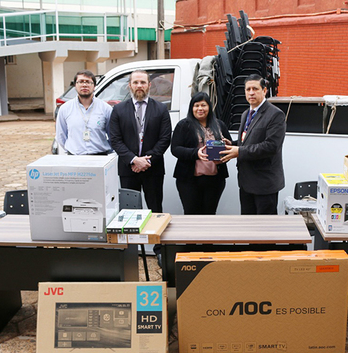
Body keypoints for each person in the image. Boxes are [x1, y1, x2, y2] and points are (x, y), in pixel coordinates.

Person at [109, 70, 172, 263]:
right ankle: (131, 251)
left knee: (155, 208)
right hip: (128, 169)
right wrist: (134, 159)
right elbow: (115, 139)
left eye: (142, 82)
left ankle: (159, 249)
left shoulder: (160, 109)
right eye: (135, 82)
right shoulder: (119, 110)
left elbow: (165, 138)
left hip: (153, 169)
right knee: (129, 211)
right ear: (129, 85)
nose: (139, 86)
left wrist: (147, 160)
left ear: (149, 85)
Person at [220, 74, 286, 214]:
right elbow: (247, 141)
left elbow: (271, 146)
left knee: (265, 229)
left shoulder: (275, 115)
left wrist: (239, 151)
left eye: (255, 89)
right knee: (247, 227)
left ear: (264, 90)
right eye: (248, 89)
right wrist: (232, 144)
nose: (251, 92)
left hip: (264, 184)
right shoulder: (246, 114)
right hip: (246, 183)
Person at [171, 92, 232, 214]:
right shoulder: (184, 125)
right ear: (191, 108)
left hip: (215, 180)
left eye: (203, 105)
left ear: (209, 107)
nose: (200, 109)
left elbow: (230, 149)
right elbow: (175, 149)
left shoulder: (219, 125)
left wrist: (228, 148)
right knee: (191, 213)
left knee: (210, 214)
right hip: (189, 180)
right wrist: (196, 153)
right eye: (196, 105)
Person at [56, 70, 113, 155]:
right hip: (75, 157)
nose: (84, 85)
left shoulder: (106, 108)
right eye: (81, 82)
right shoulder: (65, 109)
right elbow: (61, 136)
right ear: (75, 85)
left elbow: (112, 135)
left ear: (94, 86)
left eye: (88, 82)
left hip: (100, 156)